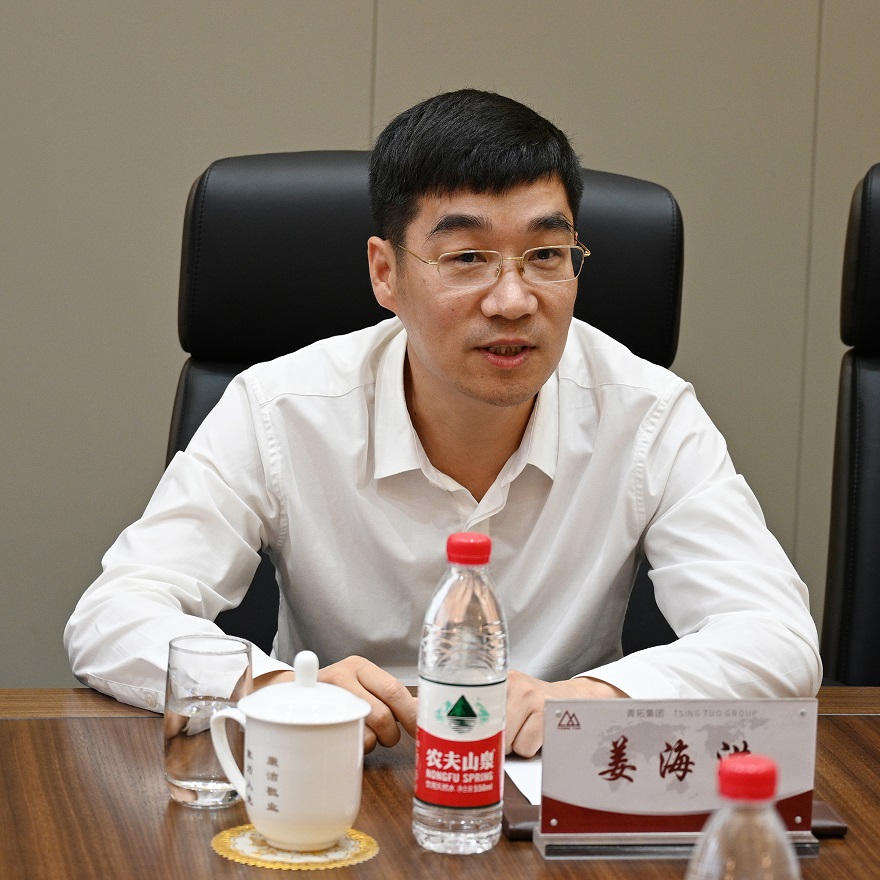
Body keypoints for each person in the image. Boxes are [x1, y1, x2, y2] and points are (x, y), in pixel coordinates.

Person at [64, 89, 822, 758]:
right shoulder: (279, 408)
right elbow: (115, 615)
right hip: (340, 781)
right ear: (385, 272)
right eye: (467, 258)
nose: (513, 300)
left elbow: (777, 638)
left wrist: (596, 698)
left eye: (546, 254)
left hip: (546, 796)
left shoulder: (648, 413)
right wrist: (273, 688)